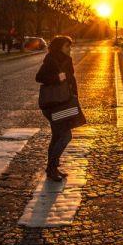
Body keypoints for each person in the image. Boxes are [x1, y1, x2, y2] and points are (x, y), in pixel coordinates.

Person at [36, 35, 83, 182]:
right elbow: (39, 77)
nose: (70, 49)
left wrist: (74, 95)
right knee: (66, 136)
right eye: (67, 46)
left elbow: (71, 79)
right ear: (60, 47)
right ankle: (51, 168)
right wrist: (58, 78)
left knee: (57, 136)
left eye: (70, 46)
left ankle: (53, 168)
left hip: (63, 102)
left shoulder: (66, 60)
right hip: (53, 104)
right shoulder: (51, 60)